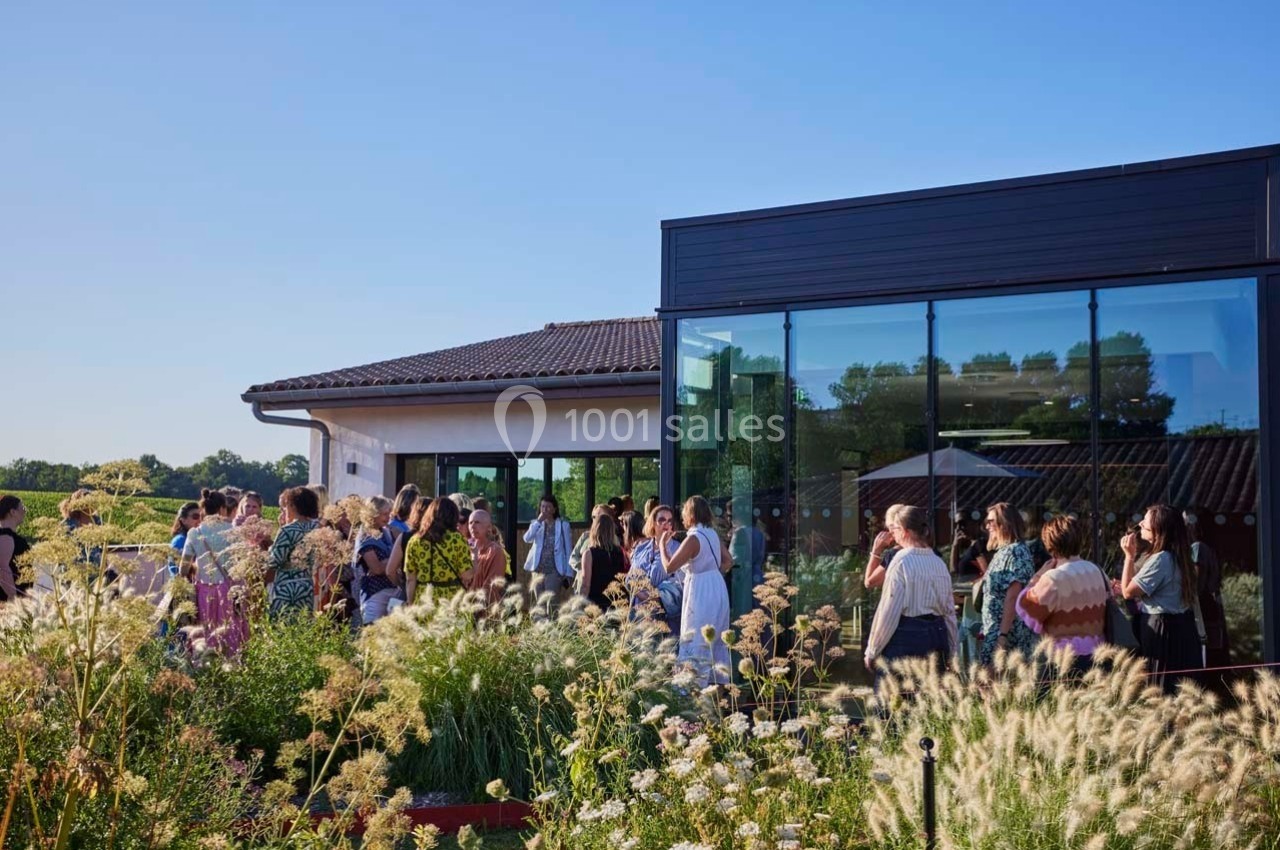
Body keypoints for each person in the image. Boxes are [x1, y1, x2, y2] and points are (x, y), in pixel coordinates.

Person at [863, 504, 958, 683]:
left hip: (907, 638)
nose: (893, 535)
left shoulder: (901, 561)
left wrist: (872, 650)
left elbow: (889, 611)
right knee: (927, 705)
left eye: (893, 529)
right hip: (937, 637)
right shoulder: (939, 563)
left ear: (904, 531)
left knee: (892, 704)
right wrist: (953, 652)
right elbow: (949, 613)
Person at [1120, 504, 1202, 693]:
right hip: (1182, 627)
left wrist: (1129, 557)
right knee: (1179, 688)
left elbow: (1127, 592)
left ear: (1158, 531)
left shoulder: (1161, 559)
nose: (1140, 523)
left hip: (1163, 629)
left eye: (1145, 523)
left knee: (1161, 686)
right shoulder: (1181, 555)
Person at [1014, 515, 1109, 674]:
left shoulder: (1053, 579)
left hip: (1063, 659)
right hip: (1099, 655)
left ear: (1049, 543)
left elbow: (1026, 609)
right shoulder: (1097, 571)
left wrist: (1035, 579)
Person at [659, 495, 733, 687]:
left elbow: (669, 567)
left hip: (701, 591)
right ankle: (717, 686)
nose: (682, 518)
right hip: (717, 586)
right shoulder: (712, 534)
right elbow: (728, 561)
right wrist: (711, 572)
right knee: (715, 638)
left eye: (684, 514)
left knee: (697, 638)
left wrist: (662, 546)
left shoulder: (693, 538)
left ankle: (692, 688)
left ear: (690, 515)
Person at [181, 489, 247, 655]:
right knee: (231, 631)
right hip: (230, 589)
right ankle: (231, 664)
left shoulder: (194, 533)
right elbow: (243, 563)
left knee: (206, 631)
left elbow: (184, 566)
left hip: (205, 589)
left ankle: (205, 665)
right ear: (223, 509)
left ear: (203, 509)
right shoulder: (234, 531)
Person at [979, 502, 1038, 665]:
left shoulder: (1015, 552)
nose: (987, 525)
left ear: (1005, 524)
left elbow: (1013, 597)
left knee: (988, 682)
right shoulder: (1004, 551)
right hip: (996, 629)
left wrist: (1002, 636)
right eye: (987, 521)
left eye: (991, 521)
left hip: (1007, 633)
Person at [624, 504, 682, 634]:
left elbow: (677, 584)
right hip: (640, 615)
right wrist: (642, 596)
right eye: (661, 520)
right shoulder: (640, 548)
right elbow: (629, 579)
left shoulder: (678, 549)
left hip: (665, 617)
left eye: (669, 520)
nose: (666, 524)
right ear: (653, 524)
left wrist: (652, 598)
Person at [404, 497, 472, 604]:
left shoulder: (415, 541)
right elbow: (467, 575)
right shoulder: (457, 539)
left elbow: (410, 579)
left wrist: (410, 603)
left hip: (423, 600)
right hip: (451, 599)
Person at [267, 486, 321, 618]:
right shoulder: (317, 527)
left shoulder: (287, 530)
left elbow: (274, 562)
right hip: (307, 585)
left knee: (282, 628)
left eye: (286, 506)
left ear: (293, 506)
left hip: (285, 587)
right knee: (303, 628)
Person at [1185, 508, 1230, 669]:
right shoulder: (1209, 547)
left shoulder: (1197, 547)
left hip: (1202, 605)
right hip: (1210, 602)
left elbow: (1195, 581)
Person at [353, 496, 397, 625]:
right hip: (374, 594)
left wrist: (388, 563)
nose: (388, 517)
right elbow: (376, 568)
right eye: (384, 514)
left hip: (392, 591)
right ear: (372, 514)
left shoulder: (386, 533)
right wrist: (394, 561)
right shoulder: (366, 535)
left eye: (389, 513)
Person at [523, 495, 575, 597]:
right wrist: (538, 521)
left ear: (554, 509)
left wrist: (569, 573)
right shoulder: (536, 524)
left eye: (548, 507)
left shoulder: (563, 525)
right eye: (542, 506)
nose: (544, 510)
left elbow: (568, 550)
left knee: (551, 602)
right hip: (538, 569)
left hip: (554, 570)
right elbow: (527, 538)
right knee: (539, 603)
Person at [582, 513, 626, 610]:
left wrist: (580, 605)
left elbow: (586, 584)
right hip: (616, 603)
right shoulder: (620, 552)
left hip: (595, 604)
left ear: (594, 530)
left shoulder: (589, 553)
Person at [465, 509, 508, 605]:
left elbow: (492, 585)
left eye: (477, 522)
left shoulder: (495, 551)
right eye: (470, 523)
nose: (472, 526)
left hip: (486, 610)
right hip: (467, 608)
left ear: (488, 527)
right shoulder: (466, 549)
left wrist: (475, 603)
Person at [0, 495, 31, 602]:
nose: (24, 512)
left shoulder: (9, 536)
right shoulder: (5, 536)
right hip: (9, 601)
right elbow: (3, 568)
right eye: (22, 508)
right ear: (12, 512)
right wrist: (13, 597)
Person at [170, 502, 202, 577]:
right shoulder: (179, 541)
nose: (200, 520)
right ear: (183, 520)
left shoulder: (199, 538)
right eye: (195, 516)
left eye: (201, 516)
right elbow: (177, 569)